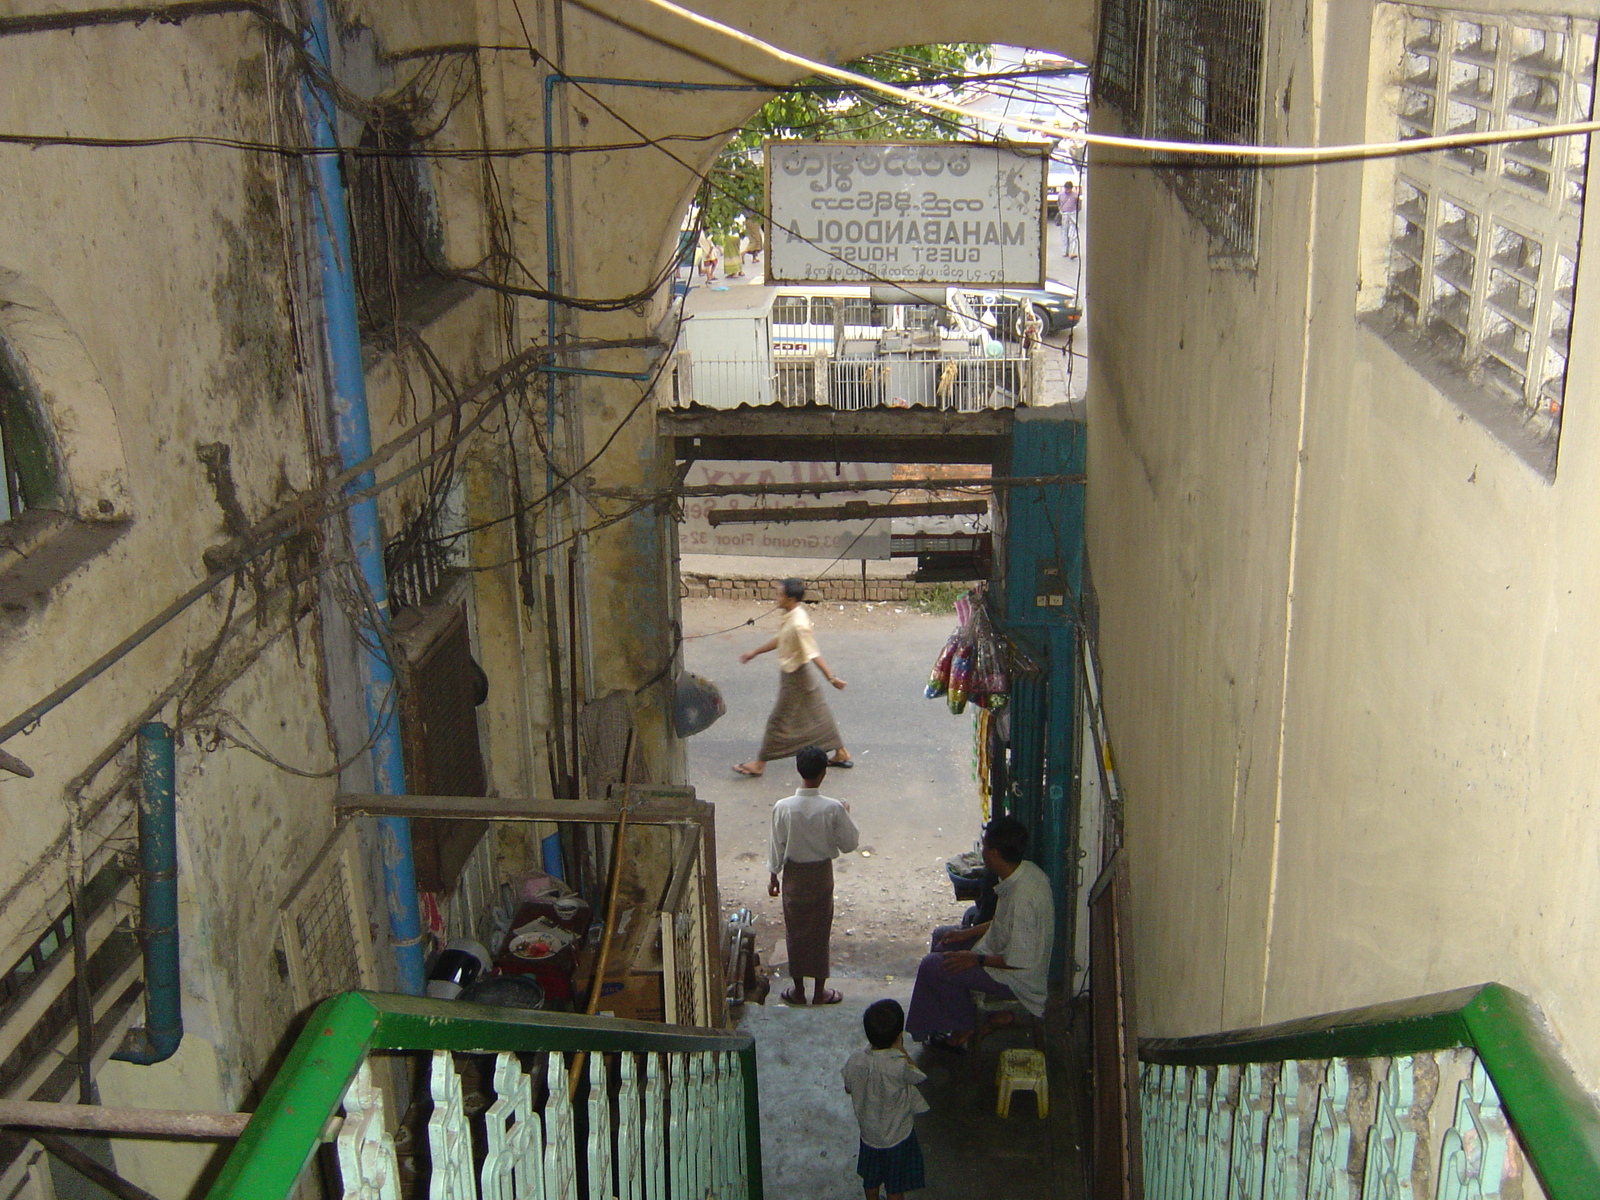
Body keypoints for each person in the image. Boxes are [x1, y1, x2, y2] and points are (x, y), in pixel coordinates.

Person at [905, 815, 1053, 1051]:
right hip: (1001, 951)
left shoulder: (1023, 898)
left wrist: (975, 959)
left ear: (994, 853)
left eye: (984, 846)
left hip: (1015, 978)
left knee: (931, 966)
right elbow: (1003, 923)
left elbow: (1019, 961)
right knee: (941, 937)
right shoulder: (1024, 872)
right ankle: (955, 1016)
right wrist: (968, 933)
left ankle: (968, 1022)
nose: (982, 851)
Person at [767, 746, 859, 1005]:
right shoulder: (833, 808)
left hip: (793, 876)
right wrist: (846, 814)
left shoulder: (783, 807)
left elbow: (776, 845)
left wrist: (773, 876)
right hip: (820, 876)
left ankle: (798, 990)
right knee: (819, 933)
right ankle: (820, 992)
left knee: (795, 931)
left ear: (799, 770)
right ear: (823, 772)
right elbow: (849, 843)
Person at [734, 578, 853, 776]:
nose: (776, 598)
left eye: (779, 594)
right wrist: (754, 652)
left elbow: (813, 653)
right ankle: (841, 752)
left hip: (796, 676)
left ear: (790, 598)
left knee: (778, 721)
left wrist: (831, 678)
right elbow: (780, 639)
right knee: (818, 713)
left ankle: (759, 764)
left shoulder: (798, 624)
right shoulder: (792, 615)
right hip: (796, 673)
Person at [843, 999, 928, 1199]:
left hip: (869, 1135)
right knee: (895, 1185)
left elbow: (848, 1088)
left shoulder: (856, 1061)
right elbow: (918, 1077)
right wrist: (901, 1050)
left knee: (871, 1179)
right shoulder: (898, 1065)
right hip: (897, 1136)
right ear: (898, 1037)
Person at [1058, 180, 1080, 259]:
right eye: (1066, 189)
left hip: (1072, 214)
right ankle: (1065, 251)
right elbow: (1059, 204)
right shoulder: (1060, 194)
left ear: (1071, 188)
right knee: (1064, 233)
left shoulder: (1075, 195)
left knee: (1072, 233)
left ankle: (1072, 252)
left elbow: (1078, 206)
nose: (1067, 190)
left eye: (1068, 189)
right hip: (1064, 214)